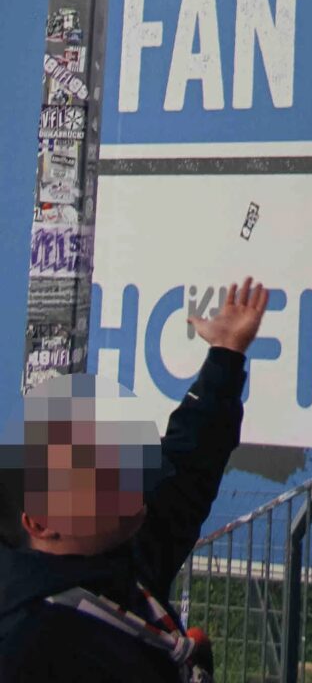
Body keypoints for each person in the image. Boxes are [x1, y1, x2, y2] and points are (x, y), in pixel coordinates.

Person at [0, 279, 271, 680]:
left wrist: (226, 355)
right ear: (41, 522)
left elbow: (189, 461)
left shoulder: (116, 551)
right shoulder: (24, 644)